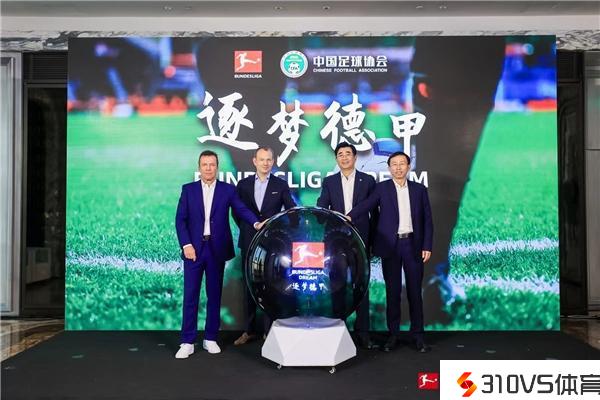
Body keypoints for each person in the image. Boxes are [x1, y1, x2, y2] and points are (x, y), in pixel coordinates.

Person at [175, 150, 262, 358]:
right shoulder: (188, 190)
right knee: (191, 296)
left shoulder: (227, 190)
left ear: (217, 167)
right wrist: (186, 245)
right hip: (194, 251)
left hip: (216, 250)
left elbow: (241, 209)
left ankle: (210, 338)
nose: (208, 168)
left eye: (212, 164)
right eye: (204, 164)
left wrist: (256, 222)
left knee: (214, 296)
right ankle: (187, 341)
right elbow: (180, 220)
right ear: (199, 167)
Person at [348, 151, 433, 353]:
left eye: (402, 163)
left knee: (415, 292)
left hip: (413, 245)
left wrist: (427, 245)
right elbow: (366, 205)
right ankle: (393, 334)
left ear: (408, 167)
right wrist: (349, 216)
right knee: (392, 292)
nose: (398, 167)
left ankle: (418, 335)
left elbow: (428, 220)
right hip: (390, 247)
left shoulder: (419, 190)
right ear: (389, 168)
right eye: (394, 164)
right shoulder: (382, 188)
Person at [317, 142, 378, 349]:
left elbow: (374, 213)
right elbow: (322, 206)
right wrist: (326, 213)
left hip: (361, 239)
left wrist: (372, 241)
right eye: (340, 154)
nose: (344, 157)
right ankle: (338, 329)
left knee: (361, 286)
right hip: (337, 242)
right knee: (337, 285)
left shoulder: (367, 180)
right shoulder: (329, 181)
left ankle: (363, 333)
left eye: (348, 154)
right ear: (337, 159)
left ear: (355, 157)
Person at [233, 147, 296, 346]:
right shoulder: (243, 185)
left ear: (273, 161)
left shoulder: (280, 184)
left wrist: (276, 228)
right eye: (262, 159)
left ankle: (269, 331)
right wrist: (248, 229)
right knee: (248, 286)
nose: (265, 163)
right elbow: (237, 213)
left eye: (269, 159)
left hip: (272, 243)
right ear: (254, 161)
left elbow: (291, 210)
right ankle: (249, 330)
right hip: (248, 240)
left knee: (270, 286)